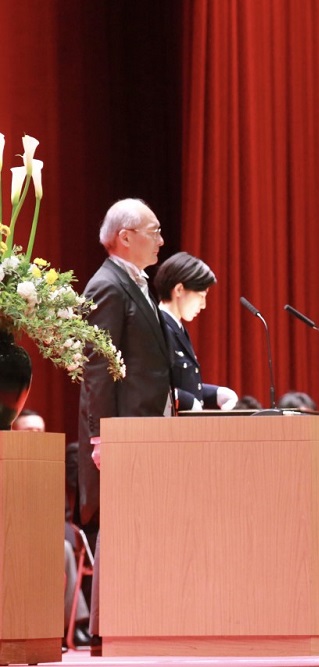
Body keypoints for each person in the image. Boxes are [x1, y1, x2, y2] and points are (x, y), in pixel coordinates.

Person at [79, 198, 173, 653]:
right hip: (124, 435)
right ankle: (107, 631)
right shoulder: (109, 285)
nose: (161, 239)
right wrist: (101, 436)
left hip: (147, 432)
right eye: (153, 231)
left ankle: (138, 622)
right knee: (120, 531)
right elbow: (97, 368)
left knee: (141, 528)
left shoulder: (136, 283)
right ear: (125, 237)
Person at [12, 410, 92, 649]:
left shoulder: (50, 463)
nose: (35, 436)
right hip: (11, 535)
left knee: (65, 548)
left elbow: (62, 513)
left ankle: (64, 628)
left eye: (40, 431)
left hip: (43, 533)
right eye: (28, 432)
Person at [153, 252, 237, 412]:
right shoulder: (159, 328)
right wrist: (189, 402)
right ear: (179, 290)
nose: (203, 305)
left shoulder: (176, 328)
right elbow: (154, 386)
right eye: (201, 295)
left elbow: (183, 384)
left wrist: (217, 394)